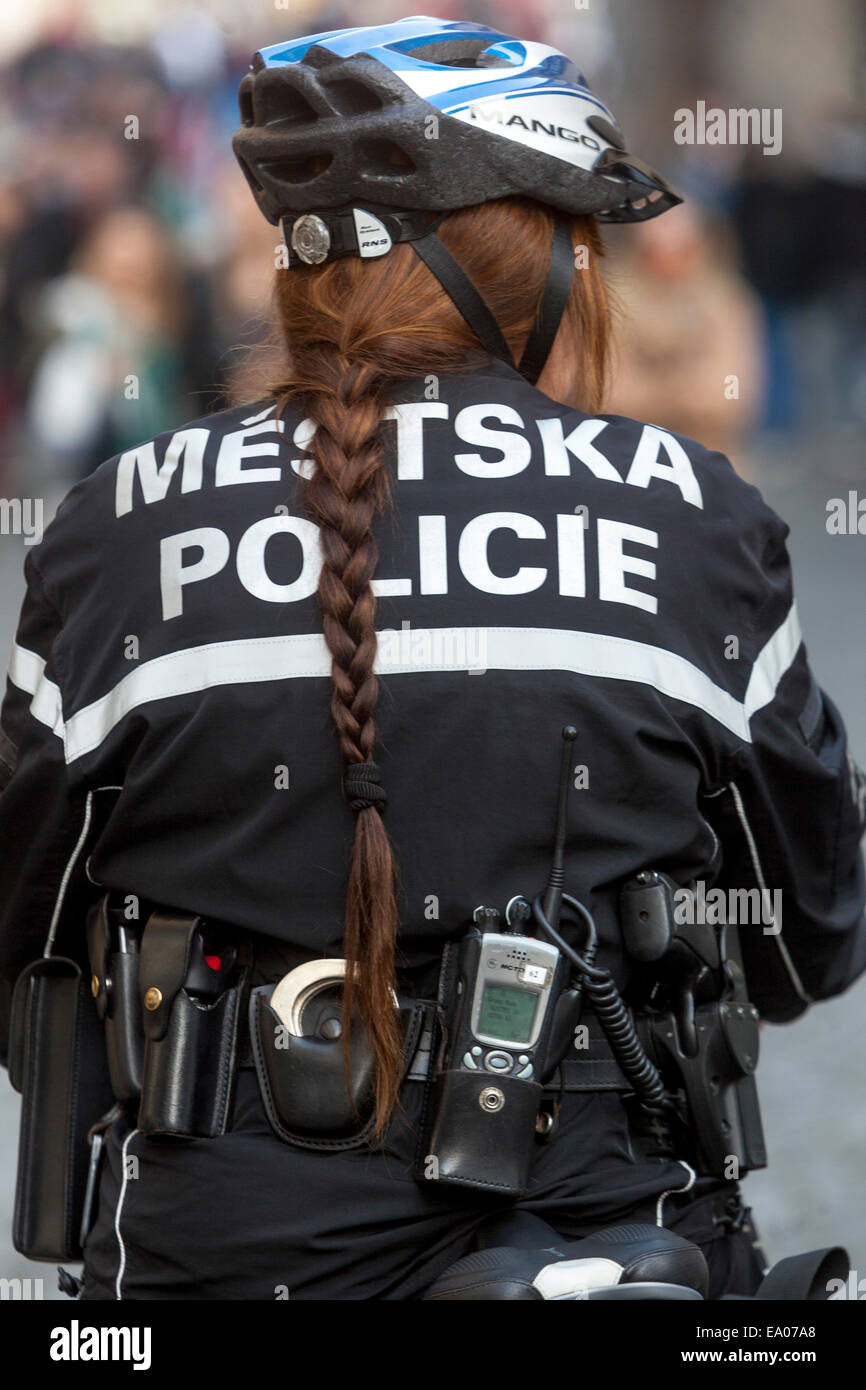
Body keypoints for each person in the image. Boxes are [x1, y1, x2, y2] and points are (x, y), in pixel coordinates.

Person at [1, 17, 864, 1303]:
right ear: (536, 267)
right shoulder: (692, 512)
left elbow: (26, 923)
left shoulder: (115, 524)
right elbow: (808, 933)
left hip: (216, 1248)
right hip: (620, 1239)